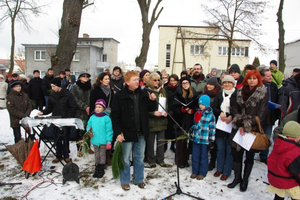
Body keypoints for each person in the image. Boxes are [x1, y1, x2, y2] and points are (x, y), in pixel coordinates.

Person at [111, 71, 156, 191]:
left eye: (138, 79)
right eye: (134, 80)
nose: (138, 81)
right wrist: (118, 133)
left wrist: (152, 99)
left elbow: (151, 109)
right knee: (125, 159)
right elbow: (115, 117)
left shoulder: (143, 93)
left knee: (139, 157)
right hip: (126, 133)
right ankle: (125, 181)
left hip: (141, 132)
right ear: (127, 82)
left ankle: (138, 179)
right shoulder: (119, 96)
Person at [227, 70, 268, 192]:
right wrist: (239, 123)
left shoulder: (262, 93)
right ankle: (237, 178)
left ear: (258, 80)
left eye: (254, 79)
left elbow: (261, 114)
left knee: (249, 156)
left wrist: (246, 125)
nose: (252, 81)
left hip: (252, 129)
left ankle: (245, 180)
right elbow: (234, 108)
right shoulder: (240, 91)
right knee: (236, 154)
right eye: (250, 78)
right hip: (238, 127)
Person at [38, 78, 77, 163]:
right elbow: (49, 108)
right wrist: (43, 112)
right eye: (51, 86)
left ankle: (66, 155)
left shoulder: (68, 94)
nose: (52, 88)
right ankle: (58, 155)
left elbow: (73, 107)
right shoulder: (52, 95)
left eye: (54, 86)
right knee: (57, 138)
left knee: (65, 138)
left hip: (65, 120)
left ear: (58, 86)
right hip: (55, 119)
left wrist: (68, 117)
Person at [211, 75, 237, 181]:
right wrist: (220, 112)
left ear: (233, 84)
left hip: (231, 125)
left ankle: (227, 171)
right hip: (221, 125)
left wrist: (232, 116)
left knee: (229, 150)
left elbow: (240, 109)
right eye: (225, 82)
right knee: (220, 148)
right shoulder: (219, 95)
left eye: (229, 83)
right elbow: (214, 107)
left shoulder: (237, 95)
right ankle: (220, 168)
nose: (227, 84)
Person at [267, 121, 300, 200]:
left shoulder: (278, 144)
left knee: (279, 195)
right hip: (287, 182)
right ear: (296, 137)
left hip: (275, 179)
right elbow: (297, 171)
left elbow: (270, 161)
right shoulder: (294, 152)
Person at [172, 76, 198, 168]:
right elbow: (173, 107)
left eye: (187, 83)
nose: (185, 85)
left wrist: (193, 110)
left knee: (188, 142)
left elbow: (197, 106)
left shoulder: (194, 93)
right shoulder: (177, 93)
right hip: (180, 120)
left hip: (190, 120)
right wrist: (181, 110)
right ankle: (180, 160)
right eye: (183, 83)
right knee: (180, 142)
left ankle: (186, 159)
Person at [190, 95, 216, 180]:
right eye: (200, 104)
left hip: (205, 139)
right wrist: (191, 129)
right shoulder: (197, 113)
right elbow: (195, 124)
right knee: (195, 155)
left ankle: (202, 172)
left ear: (207, 104)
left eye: (203, 105)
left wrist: (211, 140)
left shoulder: (211, 115)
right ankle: (195, 171)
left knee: (203, 156)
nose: (201, 106)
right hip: (196, 138)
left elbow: (212, 128)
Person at [146, 73, 168, 168]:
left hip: (161, 121)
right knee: (150, 143)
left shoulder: (163, 91)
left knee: (161, 142)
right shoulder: (147, 91)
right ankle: (150, 159)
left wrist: (166, 111)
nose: (157, 82)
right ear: (150, 81)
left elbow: (166, 103)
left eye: (158, 80)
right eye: (155, 80)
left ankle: (160, 159)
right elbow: (143, 108)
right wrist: (152, 113)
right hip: (151, 121)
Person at [86, 99, 113, 178]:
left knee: (102, 154)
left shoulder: (106, 118)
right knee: (96, 154)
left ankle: (101, 168)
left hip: (103, 140)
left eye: (99, 107)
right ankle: (97, 167)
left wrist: (108, 141)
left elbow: (109, 131)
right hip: (95, 140)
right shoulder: (92, 117)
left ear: (103, 108)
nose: (97, 109)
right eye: (96, 107)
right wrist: (89, 131)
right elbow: (88, 126)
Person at [259, 69, 280, 164]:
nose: (270, 77)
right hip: (259, 114)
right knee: (256, 135)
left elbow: (277, 99)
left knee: (267, 136)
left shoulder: (273, 86)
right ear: (262, 77)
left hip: (270, 114)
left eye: (270, 75)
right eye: (268, 76)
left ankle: (264, 155)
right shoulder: (258, 86)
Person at [71, 71, 93, 157]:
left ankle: (87, 146)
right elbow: (75, 99)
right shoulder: (75, 87)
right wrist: (85, 107)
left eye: (87, 76)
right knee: (79, 131)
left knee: (88, 130)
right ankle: (79, 149)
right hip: (79, 112)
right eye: (83, 76)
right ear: (79, 77)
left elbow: (92, 98)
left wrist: (90, 107)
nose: (85, 77)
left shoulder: (90, 87)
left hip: (89, 111)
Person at [203, 76, 221, 171]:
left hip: (215, 121)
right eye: (208, 84)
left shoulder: (218, 94)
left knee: (214, 144)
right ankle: (205, 160)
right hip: (205, 122)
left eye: (211, 85)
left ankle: (213, 161)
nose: (209, 86)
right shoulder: (204, 93)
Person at [164, 74, 179, 152]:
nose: (173, 82)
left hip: (176, 112)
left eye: (174, 81)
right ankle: (165, 145)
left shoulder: (179, 89)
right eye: (171, 81)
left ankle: (173, 145)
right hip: (168, 111)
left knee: (174, 130)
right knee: (167, 129)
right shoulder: (166, 89)